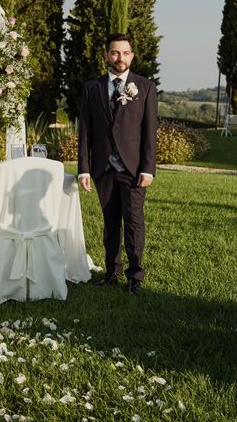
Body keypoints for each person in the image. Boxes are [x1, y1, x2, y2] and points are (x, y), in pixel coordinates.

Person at [77, 33, 158, 295]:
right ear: (106, 55)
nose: (119, 58)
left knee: (133, 221)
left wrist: (148, 168)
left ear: (132, 56)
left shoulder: (144, 88)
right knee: (110, 222)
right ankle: (112, 271)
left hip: (133, 169)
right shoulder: (92, 88)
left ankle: (135, 276)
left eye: (125, 53)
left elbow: (149, 132)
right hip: (103, 168)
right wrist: (84, 168)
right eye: (114, 52)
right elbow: (85, 132)